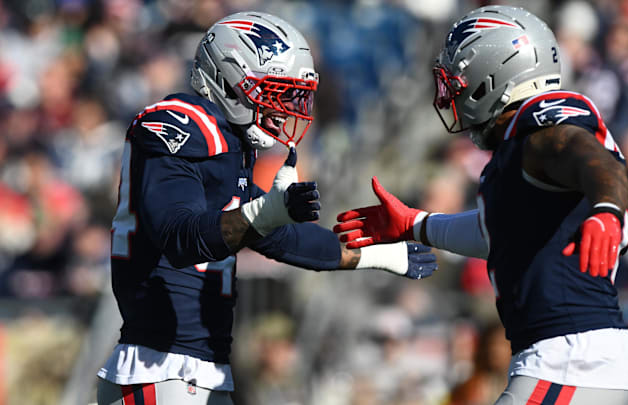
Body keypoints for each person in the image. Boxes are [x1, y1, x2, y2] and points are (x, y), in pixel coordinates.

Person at [96, 11, 437, 405]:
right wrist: (268, 212)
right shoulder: (180, 124)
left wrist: (377, 255)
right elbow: (180, 236)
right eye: (273, 91)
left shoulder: (226, 145)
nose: (284, 107)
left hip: (190, 371)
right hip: (162, 368)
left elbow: (282, 237)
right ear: (228, 79)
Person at [334, 6, 628, 404]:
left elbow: (587, 155)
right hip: (593, 361)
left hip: (567, 359)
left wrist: (607, 209)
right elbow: (497, 233)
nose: (453, 94)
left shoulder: (543, 123)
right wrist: (417, 225)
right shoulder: (517, 149)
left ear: (494, 75)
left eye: (459, 81)